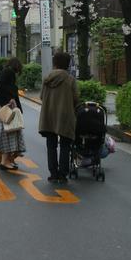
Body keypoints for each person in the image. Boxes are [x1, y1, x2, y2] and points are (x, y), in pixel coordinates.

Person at [38, 51, 80, 183]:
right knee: (65, 145)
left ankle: (53, 173)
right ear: (67, 64)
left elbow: (41, 97)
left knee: (51, 145)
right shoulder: (70, 80)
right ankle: (63, 174)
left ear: (54, 63)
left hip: (49, 116)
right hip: (65, 116)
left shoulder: (47, 79)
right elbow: (76, 99)